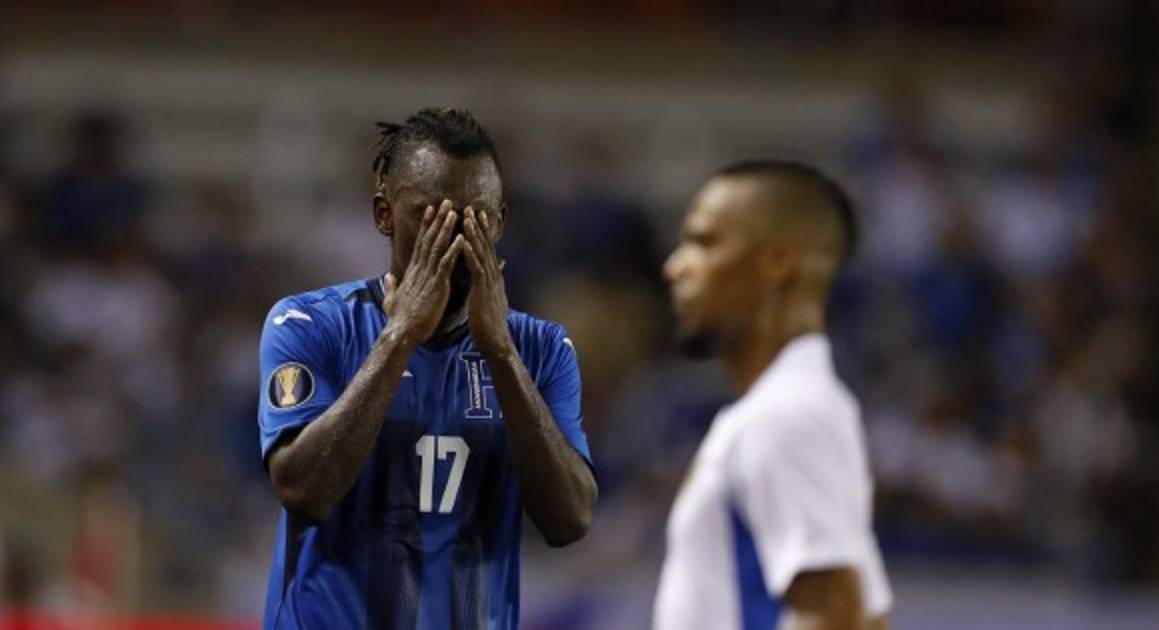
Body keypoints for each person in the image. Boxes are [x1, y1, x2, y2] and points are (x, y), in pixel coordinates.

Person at [257, 108, 597, 629]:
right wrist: (400, 337)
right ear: (383, 214)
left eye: (476, 218)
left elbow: (569, 521)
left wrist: (502, 354)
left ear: (500, 221)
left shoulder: (540, 349)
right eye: (431, 216)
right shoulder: (310, 324)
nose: (455, 240)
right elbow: (303, 492)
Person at [655, 160, 892, 630]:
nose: (674, 267)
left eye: (704, 242)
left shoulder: (784, 416)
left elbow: (834, 616)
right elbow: (867, 617)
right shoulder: (793, 407)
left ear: (778, 261)